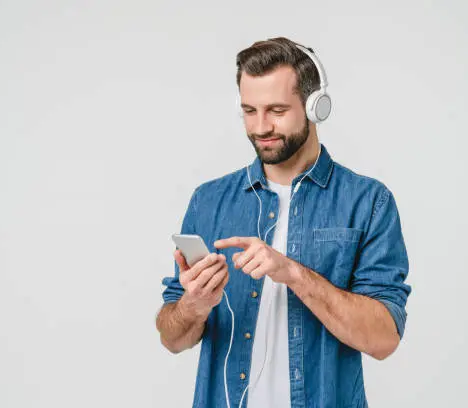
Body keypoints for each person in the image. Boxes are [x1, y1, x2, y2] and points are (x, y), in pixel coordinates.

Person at [155, 36, 412, 408]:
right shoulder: (208, 200)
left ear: (315, 106)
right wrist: (193, 306)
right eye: (249, 110)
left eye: (276, 110)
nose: (260, 127)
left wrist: (292, 272)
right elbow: (171, 339)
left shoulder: (369, 201)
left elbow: (384, 339)